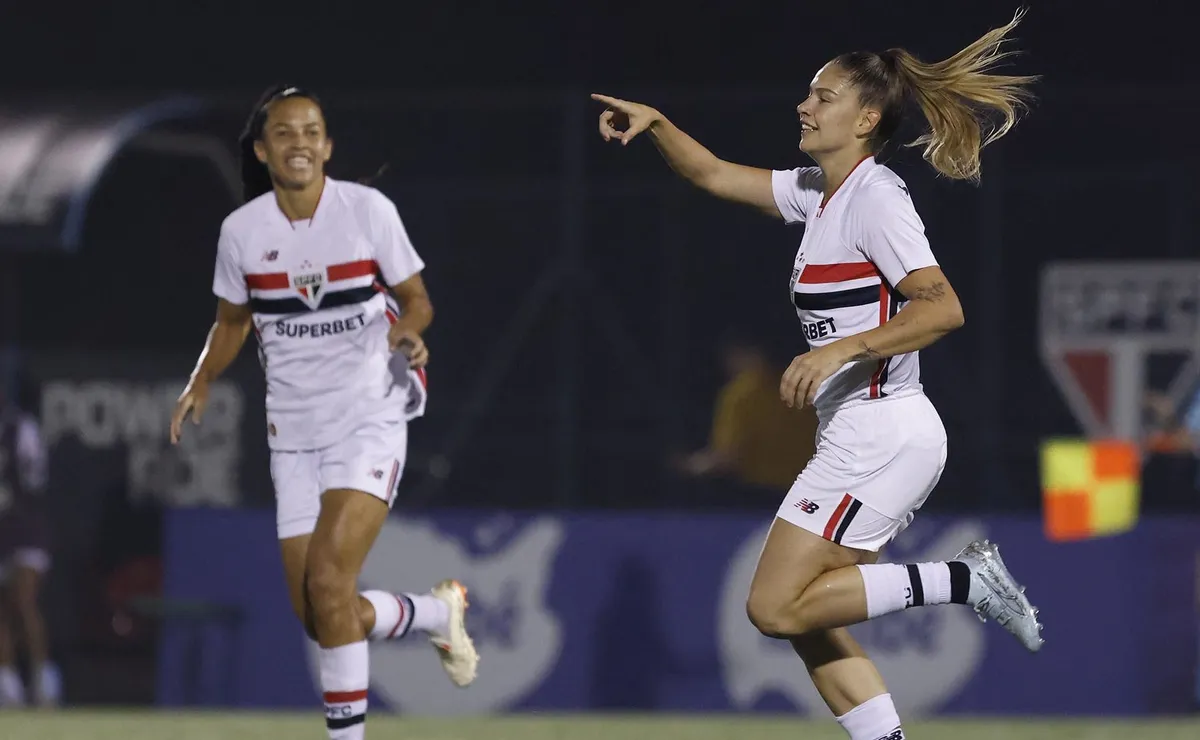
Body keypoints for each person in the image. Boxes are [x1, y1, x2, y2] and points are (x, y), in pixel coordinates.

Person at [595, 11, 1040, 740]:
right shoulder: (818, 192)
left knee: (773, 608)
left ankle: (963, 580)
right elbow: (711, 174)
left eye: (823, 96)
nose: (805, 106)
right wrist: (658, 125)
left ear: (867, 117)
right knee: (808, 616)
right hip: (861, 435)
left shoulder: (876, 197)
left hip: (883, 433)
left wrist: (839, 350)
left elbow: (944, 306)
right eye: (808, 93)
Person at [169, 85, 477, 739]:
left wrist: (409, 333)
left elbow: (416, 298)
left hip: (370, 412)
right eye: (284, 132)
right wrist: (200, 380)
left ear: (328, 145)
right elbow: (231, 321)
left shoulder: (367, 212)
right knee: (320, 613)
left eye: (312, 131)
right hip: (294, 432)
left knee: (331, 579)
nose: (300, 142)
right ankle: (430, 614)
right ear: (263, 149)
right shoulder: (243, 233)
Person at [674, 332, 818, 494]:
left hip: (760, 496)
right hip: (812, 490)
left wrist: (689, 467)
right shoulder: (805, 385)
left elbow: (727, 457)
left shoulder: (742, 393)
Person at [0, 388, 58, 708]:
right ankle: (7, 684)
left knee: (24, 600)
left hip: (23, 529)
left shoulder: (19, 427)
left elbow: (35, 477)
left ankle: (43, 678)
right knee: (1, 611)